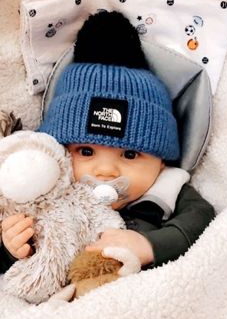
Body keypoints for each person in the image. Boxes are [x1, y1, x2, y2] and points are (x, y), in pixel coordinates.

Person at [0, 61, 215, 273]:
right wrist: (11, 249)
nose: (105, 171)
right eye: (86, 152)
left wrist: (150, 245)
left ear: (161, 162)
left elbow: (202, 220)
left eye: (130, 154)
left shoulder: (168, 188)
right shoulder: (49, 190)